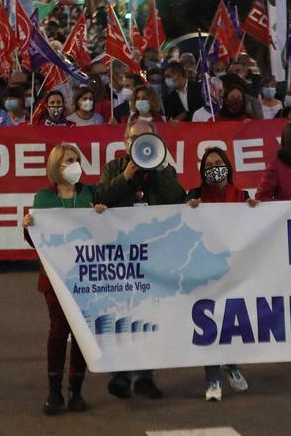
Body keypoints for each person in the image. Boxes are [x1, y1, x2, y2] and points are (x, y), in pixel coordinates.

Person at [95, 119, 185, 400]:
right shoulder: (114, 168)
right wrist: (127, 178)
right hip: (121, 252)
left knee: (150, 313)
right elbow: (102, 199)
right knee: (122, 311)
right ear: (125, 142)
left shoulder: (164, 168)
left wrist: (158, 171)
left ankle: (146, 377)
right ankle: (121, 374)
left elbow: (177, 199)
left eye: (147, 138)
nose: (140, 144)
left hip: (154, 251)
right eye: (135, 139)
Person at [22, 144, 105, 415]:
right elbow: (37, 239)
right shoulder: (44, 198)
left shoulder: (91, 193)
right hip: (56, 276)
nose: (75, 165)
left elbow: (109, 229)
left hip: (87, 276)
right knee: (59, 331)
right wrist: (28, 225)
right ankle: (54, 390)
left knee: (82, 333)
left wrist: (105, 213)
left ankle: (76, 390)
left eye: (77, 160)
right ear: (56, 166)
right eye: (69, 160)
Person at [185, 147, 255, 401]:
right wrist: (188, 209)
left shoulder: (243, 195)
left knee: (234, 319)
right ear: (203, 171)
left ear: (227, 165)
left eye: (219, 162)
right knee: (209, 322)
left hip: (235, 269)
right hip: (206, 270)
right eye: (209, 164)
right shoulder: (194, 196)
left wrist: (254, 210)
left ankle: (232, 365)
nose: (214, 167)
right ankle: (212, 378)